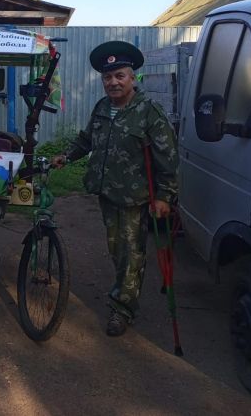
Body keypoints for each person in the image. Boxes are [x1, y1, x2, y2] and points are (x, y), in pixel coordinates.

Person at [52, 41, 178, 336]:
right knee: (117, 250)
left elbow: (168, 158)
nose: (113, 82)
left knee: (131, 253)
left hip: (135, 197)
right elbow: (86, 140)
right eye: (108, 77)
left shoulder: (149, 112)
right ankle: (125, 292)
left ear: (132, 78)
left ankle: (122, 309)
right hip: (108, 192)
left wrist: (164, 196)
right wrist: (66, 156)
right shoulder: (102, 108)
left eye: (120, 75)